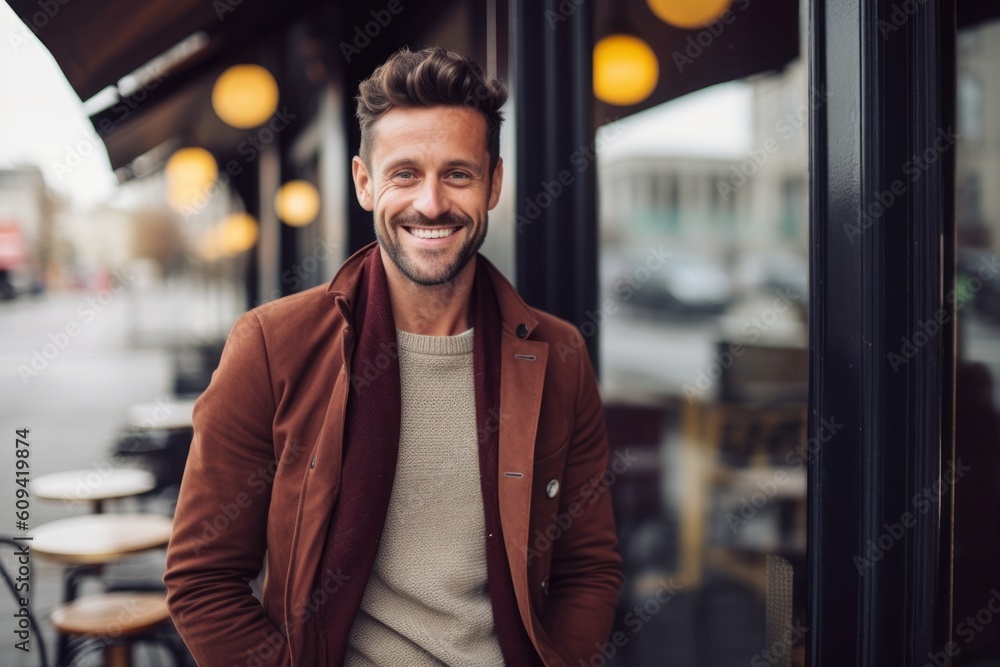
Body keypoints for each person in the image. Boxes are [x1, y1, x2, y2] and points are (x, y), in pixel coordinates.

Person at [163, 46, 623, 667]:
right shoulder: (272, 346)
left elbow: (589, 567)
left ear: (493, 184)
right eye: (404, 173)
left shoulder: (559, 353)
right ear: (363, 182)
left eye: (457, 174)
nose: (430, 204)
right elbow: (203, 579)